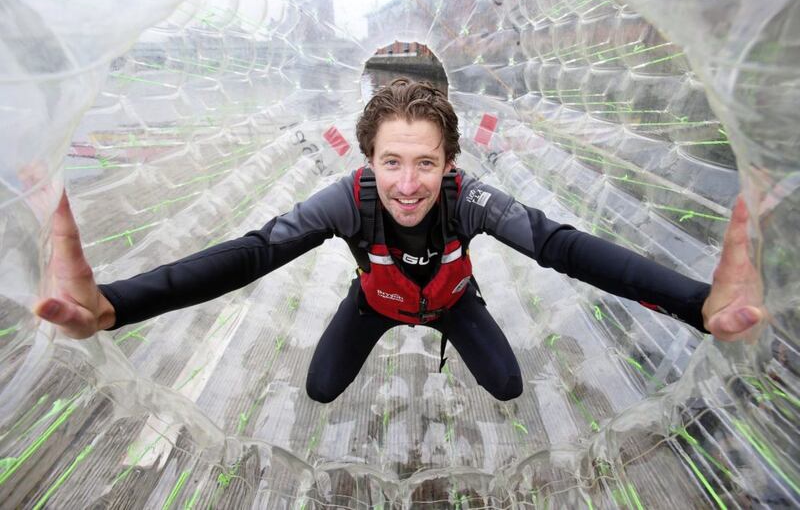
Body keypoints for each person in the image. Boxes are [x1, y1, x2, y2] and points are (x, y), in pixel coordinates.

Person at [33, 78, 764, 403]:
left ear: (449, 163)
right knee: (319, 391)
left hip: (449, 302)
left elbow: (562, 245)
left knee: (509, 386)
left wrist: (697, 303)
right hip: (379, 301)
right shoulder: (348, 201)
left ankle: (444, 313)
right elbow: (254, 252)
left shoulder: (468, 199)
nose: (407, 184)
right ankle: (380, 314)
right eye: (391, 161)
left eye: (424, 162)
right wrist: (115, 305)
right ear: (368, 160)